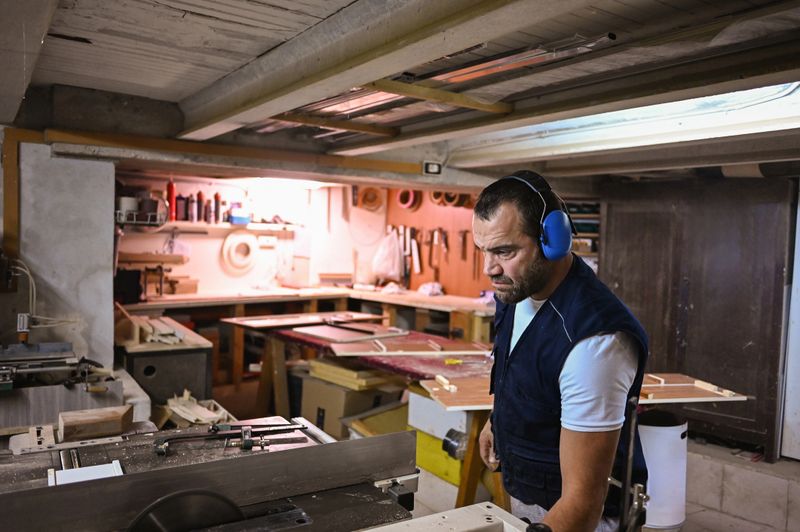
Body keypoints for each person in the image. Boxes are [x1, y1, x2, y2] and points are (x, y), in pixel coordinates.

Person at [472, 170, 649, 532]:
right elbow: (518, 367)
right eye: (483, 251)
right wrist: (496, 421)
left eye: (504, 251)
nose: (489, 269)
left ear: (553, 240)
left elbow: (583, 503)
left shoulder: (595, 343)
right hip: (534, 495)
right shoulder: (515, 289)